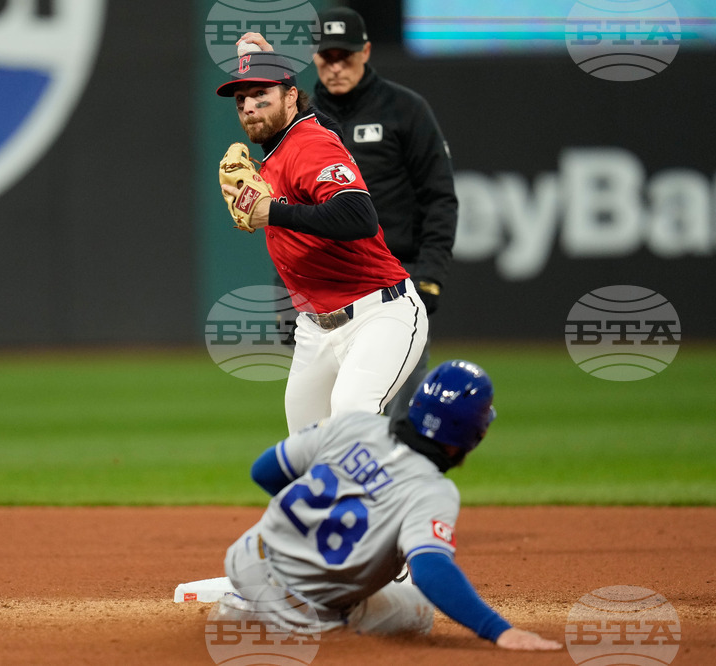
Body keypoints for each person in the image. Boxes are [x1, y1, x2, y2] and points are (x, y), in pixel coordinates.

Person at [214, 360, 563, 651]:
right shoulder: (433, 491)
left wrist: (309, 526)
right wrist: (500, 630)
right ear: (471, 437)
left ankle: (246, 602)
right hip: (300, 612)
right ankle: (268, 622)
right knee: (418, 610)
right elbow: (430, 570)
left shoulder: (353, 424)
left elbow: (265, 472)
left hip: (245, 557)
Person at [238, 7, 458, 425]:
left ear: (366, 52)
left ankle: (411, 491)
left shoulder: (403, 109)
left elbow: (437, 199)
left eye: (346, 55)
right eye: (326, 56)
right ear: (314, 58)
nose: (336, 65)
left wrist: (430, 275)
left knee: (386, 425)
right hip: (319, 304)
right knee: (311, 446)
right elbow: (286, 229)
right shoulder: (300, 124)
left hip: (385, 289)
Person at [216, 51, 428, 434]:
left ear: (291, 97)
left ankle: (403, 492)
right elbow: (326, 125)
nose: (248, 106)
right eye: (240, 99)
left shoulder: (309, 144)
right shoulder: (288, 146)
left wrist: (273, 212)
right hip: (315, 329)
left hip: (377, 315)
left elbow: (359, 216)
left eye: (260, 93)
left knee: (350, 417)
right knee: (306, 452)